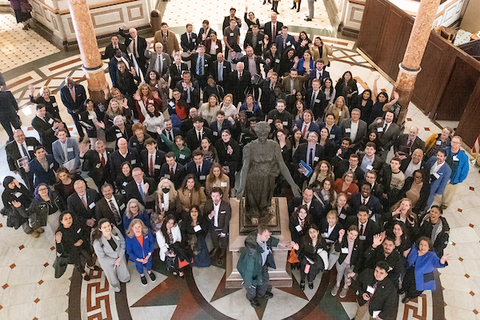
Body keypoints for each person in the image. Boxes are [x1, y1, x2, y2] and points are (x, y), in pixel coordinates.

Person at [236, 224, 290, 307]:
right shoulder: (252, 252)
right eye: (266, 235)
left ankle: (261, 294)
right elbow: (248, 270)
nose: (268, 237)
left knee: (264, 281)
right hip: (253, 271)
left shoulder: (263, 239)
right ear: (259, 235)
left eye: (269, 235)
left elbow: (270, 240)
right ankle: (252, 298)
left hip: (262, 265)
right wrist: (249, 283)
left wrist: (279, 242)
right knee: (252, 288)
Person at [401, 237, 448, 303]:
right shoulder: (414, 249)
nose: (423, 247)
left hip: (421, 276)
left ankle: (408, 296)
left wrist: (442, 261)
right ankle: (403, 289)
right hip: (410, 270)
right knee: (406, 281)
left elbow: (437, 263)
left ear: (429, 247)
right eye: (421, 244)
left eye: (425, 245)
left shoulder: (431, 255)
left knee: (414, 289)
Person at [92, 219, 131, 292]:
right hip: (107, 262)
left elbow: (122, 242)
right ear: (100, 229)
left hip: (119, 255)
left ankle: (125, 278)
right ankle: (116, 287)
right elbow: (102, 257)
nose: (107, 228)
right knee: (111, 276)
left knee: (123, 269)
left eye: (108, 226)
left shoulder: (115, 231)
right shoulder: (97, 242)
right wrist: (115, 261)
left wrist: (120, 256)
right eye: (104, 227)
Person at [55, 212, 96, 281]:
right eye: (65, 219)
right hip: (72, 252)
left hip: (82, 247)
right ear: (61, 221)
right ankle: (83, 273)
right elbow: (60, 251)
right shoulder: (60, 233)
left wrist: (82, 240)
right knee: (78, 265)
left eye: (70, 218)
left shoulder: (77, 225)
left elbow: (86, 232)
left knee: (89, 257)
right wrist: (58, 242)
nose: (68, 221)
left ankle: (90, 265)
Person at [292, 224, 329, 290]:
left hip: (315, 261)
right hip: (306, 259)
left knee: (313, 272)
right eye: (310, 232)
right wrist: (297, 249)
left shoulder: (322, 241)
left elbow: (325, 250)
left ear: (317, 232)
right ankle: (302, 281)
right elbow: (300, 250)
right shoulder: (304, 239)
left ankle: (310, 281)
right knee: (303, 271)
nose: (312, 234)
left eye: (314, 231)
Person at [331, 225, 363, 298]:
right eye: (351, 234)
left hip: (351, 264)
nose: (353, 237)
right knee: (339, 274)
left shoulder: (359, 243)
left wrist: (355, 270)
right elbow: (337, 249)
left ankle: (345, 287)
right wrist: (340, 238)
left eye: (355, 235)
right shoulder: (343, 239)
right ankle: (337, 285)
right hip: (341, 262)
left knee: (347, 277)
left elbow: (360, 257)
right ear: (348, 232)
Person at [439, 135, 469, 209]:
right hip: (442, 174)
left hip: (453, 177)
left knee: (449, 192)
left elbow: (465, 169)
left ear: (460, 144)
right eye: (453, 142)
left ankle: (445, 203)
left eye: (456, 143)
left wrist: (460, 179)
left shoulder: (464, 157)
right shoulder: (445, 150)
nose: (454, 144)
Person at [204, 187, 231, 264]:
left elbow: (227, 220)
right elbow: (205, 216)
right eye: (213, 196)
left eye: (217, 196)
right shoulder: (208, 204)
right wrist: (210, 216)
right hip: (213, 228)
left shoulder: (226, 205)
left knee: (223, 242)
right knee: (214, 241)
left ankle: (222, 253)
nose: (215, 198)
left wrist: (224, 232)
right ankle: (216, 249)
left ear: (221, 195)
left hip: (222, 228)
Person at [125, 219, 156, 285]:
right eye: (135, 227)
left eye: (139, 226)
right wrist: (138, 259)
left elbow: (152, 243)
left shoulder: (147, 233)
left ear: (142, 227)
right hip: (137, 257)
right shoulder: (129, 238)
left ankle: (149, 271)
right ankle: (142, 275)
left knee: (149, 263)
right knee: (139, 266)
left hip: (148, 255)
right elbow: (129, 251)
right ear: (132, 228)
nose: (137, 229)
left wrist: (149, 255)